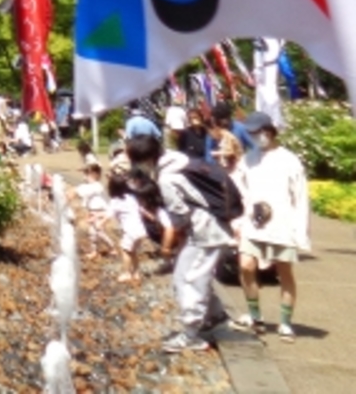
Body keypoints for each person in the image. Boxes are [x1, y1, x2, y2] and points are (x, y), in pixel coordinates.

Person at [126, 133, 234, 352]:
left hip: (206, 231)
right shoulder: (177, 159)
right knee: (189, 273)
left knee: (189, 278)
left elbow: (179, 216)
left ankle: (192, 334)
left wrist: (169, 242)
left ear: (144, 159)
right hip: (210, 226)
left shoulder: (167, 178)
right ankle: (215, 315)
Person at [231, 112, 310, 340]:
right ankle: (256, 317)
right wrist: (238, 221)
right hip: (253, 223)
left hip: (282, 223)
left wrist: (300, 230)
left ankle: (285, 322)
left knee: (284, 270)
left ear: (269, 131)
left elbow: (300, 197)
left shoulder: (289, 160)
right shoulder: (248, 159)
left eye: (258, 132)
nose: (255, 137)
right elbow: (240, 191)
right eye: (252, 133)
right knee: (246, 265)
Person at [74, 162, 114, 258]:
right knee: (92, 233)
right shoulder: (90, 186)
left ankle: (112, 247)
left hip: (100, 212)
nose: (85, 177)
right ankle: (94, 251)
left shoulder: (97, 186)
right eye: (85, 174)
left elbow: (86, 192)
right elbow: (86, 199)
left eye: (87, 174)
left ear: (94, 175)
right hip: (92, 212)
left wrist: (76, 191)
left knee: (99, 231)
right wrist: (85, 209)